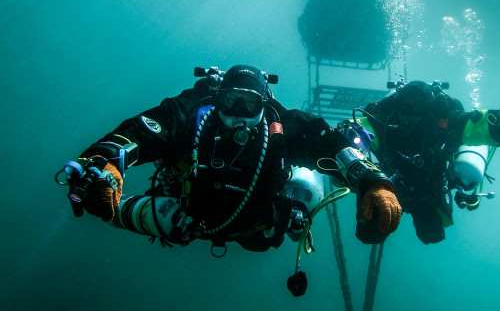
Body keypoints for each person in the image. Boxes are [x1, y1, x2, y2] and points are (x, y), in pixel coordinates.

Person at [59, 65, 401, 255]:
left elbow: (332, 143)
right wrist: (104, 162)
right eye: (231, 103)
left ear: (263, 106)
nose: (240, 115)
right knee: (107, 208)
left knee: (260, 242)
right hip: (184, 217)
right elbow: (144, 131)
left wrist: (374, 182)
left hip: (255, 225)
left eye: (249, 105)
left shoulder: (282, 126)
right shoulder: (191, 114)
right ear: (217, 99)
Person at [338, 80, 500, 244]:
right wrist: (344, 134)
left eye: (417, 109)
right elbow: (349, 131)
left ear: (428, 109)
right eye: (407, 108)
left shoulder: (447, 124)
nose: (411, 115)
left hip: (428, 192)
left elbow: (477, 126)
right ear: (398, 107)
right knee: (367, 236)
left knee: (432, 236)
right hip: (385, 188)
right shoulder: (382, 122)